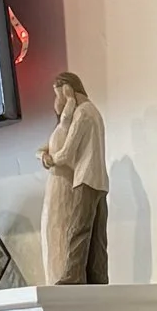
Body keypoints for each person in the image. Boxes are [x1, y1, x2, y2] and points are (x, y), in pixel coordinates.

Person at [38, 71, 109, 283]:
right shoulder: (95, 112)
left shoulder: (82, 114)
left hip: (85, 178)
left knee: (79, 229)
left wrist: (51, 159)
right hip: (101, 181)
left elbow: (68, 152)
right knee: (98, 236)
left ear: (68, 91)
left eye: (57, 94)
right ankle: (98, 276)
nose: (56, 100)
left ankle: (74, 275)